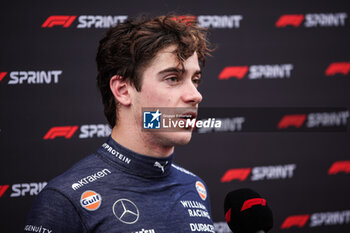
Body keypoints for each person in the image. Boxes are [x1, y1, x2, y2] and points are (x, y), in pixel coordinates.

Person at [24, 15, 215, 233]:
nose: (195, 95)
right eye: (173, 78)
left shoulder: (195, 187)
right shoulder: (66, 199)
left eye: (195, 80)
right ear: (123, 91)